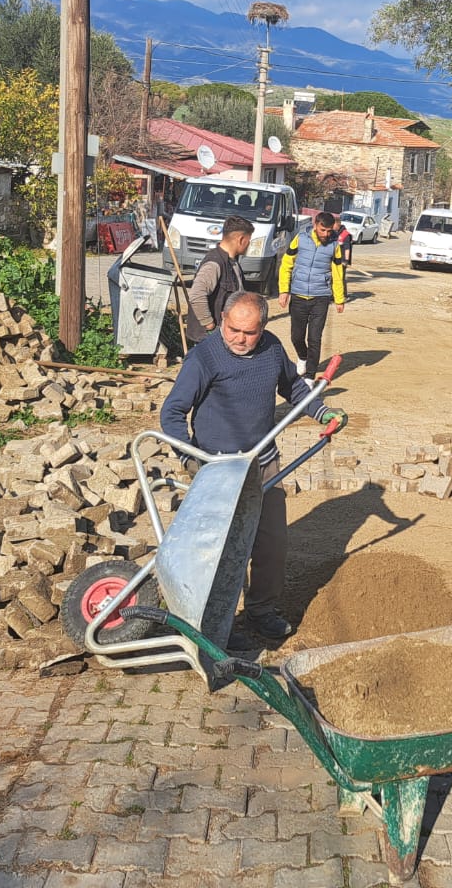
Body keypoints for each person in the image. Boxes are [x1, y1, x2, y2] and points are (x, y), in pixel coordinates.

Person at [159, 293, 345, 642]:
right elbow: (172, 412)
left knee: (271, 543)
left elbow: (292, 386)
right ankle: (213, 622)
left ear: (263, 327)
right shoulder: (204, 357)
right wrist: (189, 457)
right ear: (223, 319)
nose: (240, 339)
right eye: (233, 329)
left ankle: (261, 611)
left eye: (249, 332)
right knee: (219, 549)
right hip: (217, 468)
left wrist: (322, 411)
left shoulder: (272, 349)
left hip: (262, 462)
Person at [277, 210, 348, 376]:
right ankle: (303, 356)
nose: (326, 234)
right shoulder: (300, 239)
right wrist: (284, 290)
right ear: (315, 225)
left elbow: (338, 274)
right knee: (296, 336)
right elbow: (286, 264)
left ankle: (310, 375)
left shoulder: (334, 246)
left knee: (315, 338)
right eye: (323, 230)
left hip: (321, 297)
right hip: (298, 295)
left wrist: (339, 299)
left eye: (329, 231)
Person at [185, 214, 252, 344]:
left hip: (222, 337)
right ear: (241, 239)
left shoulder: (232, 263)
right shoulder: (214, 264)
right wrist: (210, 327)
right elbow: (196, 295)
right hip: (208, 341)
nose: (249, 244)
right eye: (249, 240)